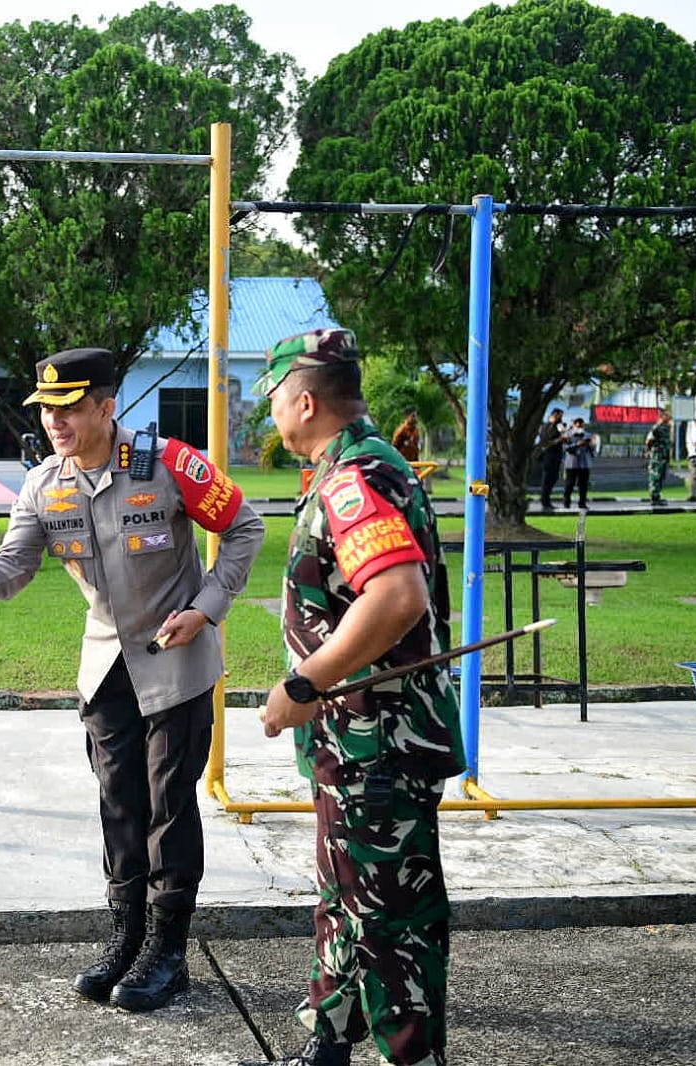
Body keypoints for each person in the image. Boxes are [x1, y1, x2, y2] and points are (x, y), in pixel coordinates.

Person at [0, 347, 264, 1013]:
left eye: (67, 408)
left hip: (175, 665)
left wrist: (206, 607)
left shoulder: (171, 462)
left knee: (168, 807)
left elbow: (243, 528)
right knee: (119, 806)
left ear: (105, 406)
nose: (54, 421)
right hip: (105, 670)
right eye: (46, 410)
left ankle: (166, 953)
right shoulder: (42, 484)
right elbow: (11, 573)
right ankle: (127, 939)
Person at [254, 328, 463, 1066]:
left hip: (378, 744)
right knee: (346, 900)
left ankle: (410, 1056)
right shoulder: (349, 468)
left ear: (304, 402)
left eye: (274, 399)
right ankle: (330, 1042)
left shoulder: (353, 480)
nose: (271, 414)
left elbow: (395, 597)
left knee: (387, 922)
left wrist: (304, 683)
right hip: (359, 744)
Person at [562, 417, 595, 510]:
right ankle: (566, 503)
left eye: (581, 423)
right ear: (573, 424)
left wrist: (590, 444)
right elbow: (565, 448)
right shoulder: (567, 435)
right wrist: (577, 444)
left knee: (583, 485)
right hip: (572, 464)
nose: (579, 425)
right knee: (569, 484)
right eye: (577, 423)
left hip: (585, 463)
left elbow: (593, 449)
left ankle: (582, 503)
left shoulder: (588, 435)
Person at [536, 408, 565, 510]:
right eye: (559, 415)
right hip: (548, 455)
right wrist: (558, 440)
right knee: (547, 479)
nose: (561, 418)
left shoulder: (559, 425)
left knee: (554, 478)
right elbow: (546, 441)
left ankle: (547, 500)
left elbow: (563, 435)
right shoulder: (546, 426)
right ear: (554, 415)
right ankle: (545, 501)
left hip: (557, 455)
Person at [644, 410, 673, 506]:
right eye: (667, 415)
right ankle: (654, 497)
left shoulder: (667, 427)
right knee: (655, 477)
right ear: (662, 416)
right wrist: (649, 451)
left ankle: (657, 496)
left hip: (664, 455)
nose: (669, 417)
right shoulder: (657, 428)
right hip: (657, 456)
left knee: (661, 477)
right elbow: (649, 440)